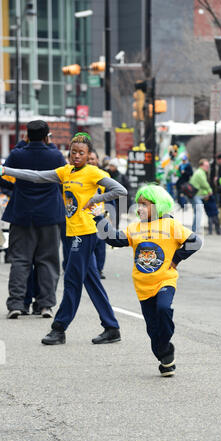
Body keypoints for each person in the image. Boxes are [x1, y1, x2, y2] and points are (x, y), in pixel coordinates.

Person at [0, 133, 128, 345]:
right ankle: (111, 327)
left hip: (84, 233)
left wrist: (96, 198)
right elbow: (36, 176)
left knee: (71, 282)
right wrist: (6, 170)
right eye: (73, 152)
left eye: (81, 153)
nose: (76, 156)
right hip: (70, 232)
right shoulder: (65, 171)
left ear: (88, 155)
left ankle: (59, 328)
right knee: (91, 281)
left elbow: (120, 190)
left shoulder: (93, 172)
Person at [98, 183, 201, 376]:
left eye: (145, 204)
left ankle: (166, 349)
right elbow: (112, 238)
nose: (140, 208)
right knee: (153, 330)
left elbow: (195, 241)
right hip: (143, 286)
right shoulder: (135, 228)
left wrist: (177, 258)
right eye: (138, 204)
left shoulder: (170, 225)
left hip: (165, 281)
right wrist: (99, 217)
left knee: (163, 309)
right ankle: (165, 358)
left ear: (158, 205)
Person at [2, 120, 66, 319]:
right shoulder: (55, 155)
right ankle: (45, 304)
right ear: (47, 136)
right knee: (48, 260)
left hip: (22, 213)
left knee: (20, 260)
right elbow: (65, 176)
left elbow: (5, 174)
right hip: (48, 214)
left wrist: (23, 145)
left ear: (27, 135)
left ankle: (16, 304)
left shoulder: (18, 154)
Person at [87, 148, 107, 279]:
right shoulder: (78, 174)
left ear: (97, 160)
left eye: (92, 159)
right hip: (84, 217)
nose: (90, 161)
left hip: (100, 215)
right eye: (88, 159)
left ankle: (98, 270)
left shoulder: (104, 175)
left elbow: (111, 197)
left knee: (100, 245)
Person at [189, 159, 221, 235]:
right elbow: (204, 184)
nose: (208, 167)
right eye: (206, 166)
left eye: (208, 166)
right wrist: (210, 190)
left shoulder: (200, 172)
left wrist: (207, 192)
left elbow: (202, 185)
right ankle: (196, 229)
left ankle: (195, 229)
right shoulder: (200, 173)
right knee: (198, 211)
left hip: (198, 195)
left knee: (197, 212)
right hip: (197, 195)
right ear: (201, 165)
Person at [107, 157, 131, 229]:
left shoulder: (122, 177)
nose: (110, 167)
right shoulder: (106, 174)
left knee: (117, 216)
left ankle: (115, 229)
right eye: (110, 165)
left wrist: (127, 203)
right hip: (108, 199)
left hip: (118, 201)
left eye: (112, 165)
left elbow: (127, 190)